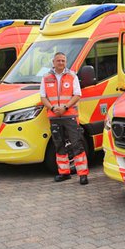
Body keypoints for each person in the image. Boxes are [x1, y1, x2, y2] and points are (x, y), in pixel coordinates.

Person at [40, 52, 89, 185]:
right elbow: (43, 97)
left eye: (63, 61)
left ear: (65, 62)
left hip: (70, 115)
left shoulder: (72, 76)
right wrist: (52, 108)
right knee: (59, 145)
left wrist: (65, 108)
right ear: (53, 62)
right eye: (58, 61)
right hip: (54, 116)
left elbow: (78, 95)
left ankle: (83, 174)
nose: (61, 63)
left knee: (77, 144)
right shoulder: (46, 77)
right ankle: (64, 173)